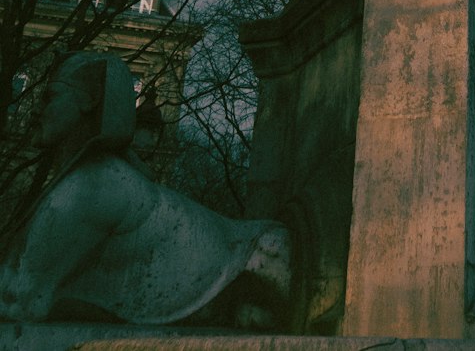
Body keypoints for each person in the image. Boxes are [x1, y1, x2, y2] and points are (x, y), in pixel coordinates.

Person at [0, 52, 290, 325]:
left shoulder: (92, 187)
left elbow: (22, 302)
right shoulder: (85, 182)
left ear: (89, 102)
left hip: (258, 256)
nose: (36, 108)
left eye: (51, 96)